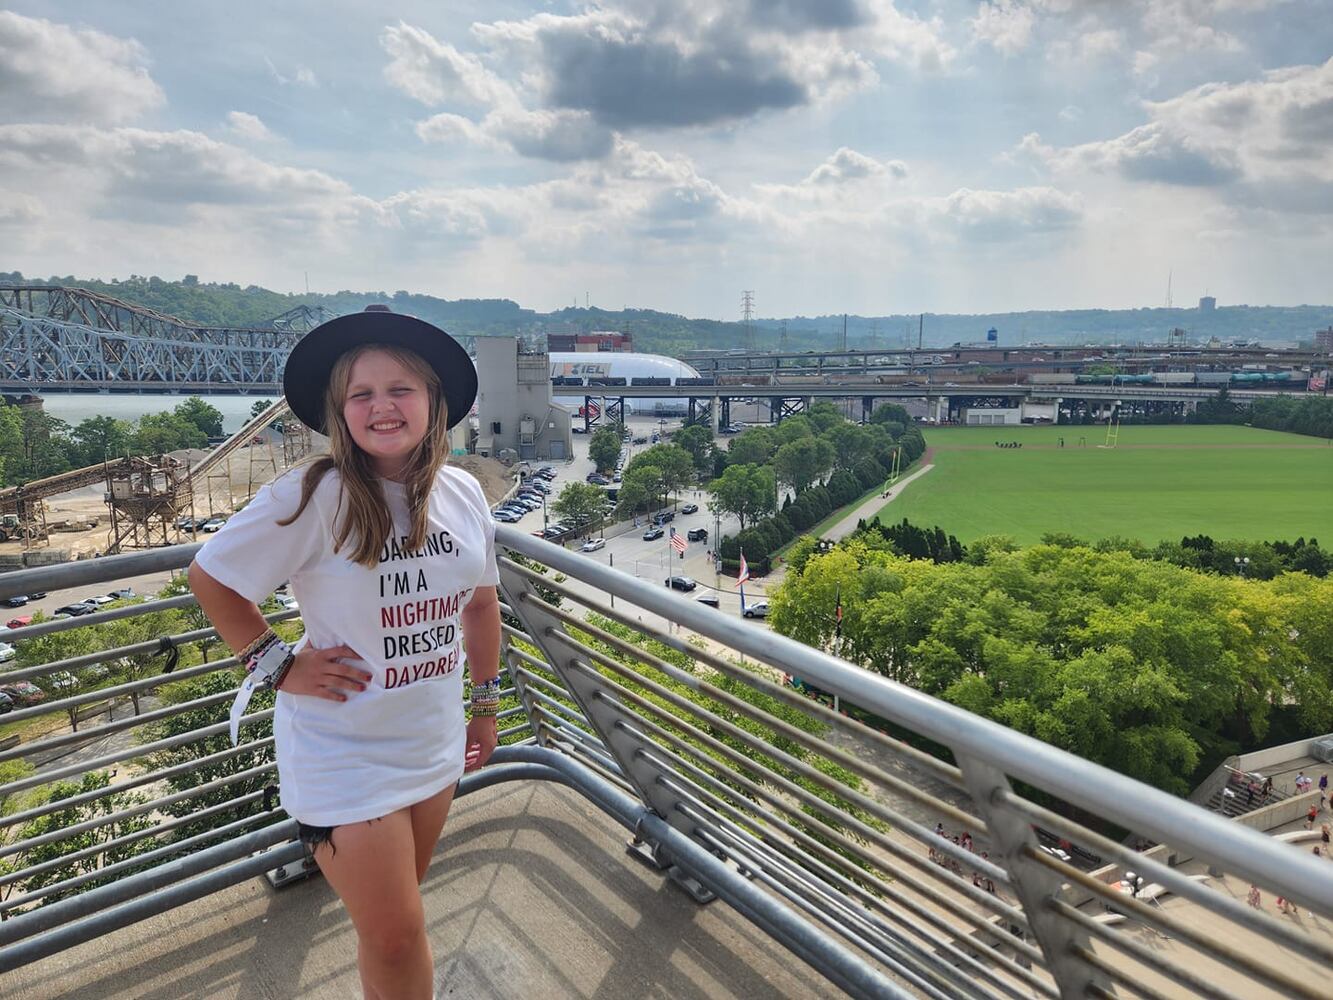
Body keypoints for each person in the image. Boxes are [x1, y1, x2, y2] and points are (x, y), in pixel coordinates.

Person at [190, 306, 500, 1000]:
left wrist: (484, 705)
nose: (381, 406)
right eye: (361, 393)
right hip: (342, 749)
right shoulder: (311, 496)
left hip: (430, 738)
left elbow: (479, 606)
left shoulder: (462, 493)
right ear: (339, 411)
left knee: (396, 924)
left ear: (433, 403)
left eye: (400, 390)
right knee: (396, 934)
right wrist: (277, 665)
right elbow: (211, 578)